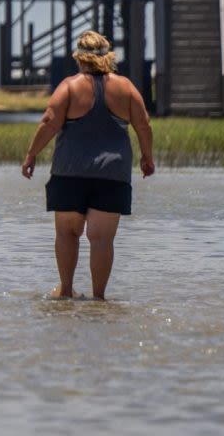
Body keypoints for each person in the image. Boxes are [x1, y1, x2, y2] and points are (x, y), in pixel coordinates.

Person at [19, 32, 156, 300]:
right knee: (101, 240)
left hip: (70, 173)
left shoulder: (69, 87)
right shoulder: (125, 88)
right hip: (112, 175)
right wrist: (147, 157)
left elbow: (49, 121)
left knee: (68, 234)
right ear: (108, 57)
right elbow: (144, 124)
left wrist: (31, 155)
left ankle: (66, 290)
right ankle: (99, 298)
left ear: (80, 58)